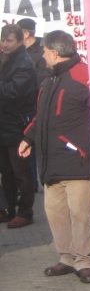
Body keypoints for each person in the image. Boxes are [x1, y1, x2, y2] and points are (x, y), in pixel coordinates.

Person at [19, 31, 90, 283]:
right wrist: (28, 138)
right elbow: (40, 116)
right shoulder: (47, 80)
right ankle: (66, 258)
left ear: (54, 53)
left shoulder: (83, 75)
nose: (42, 55)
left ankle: (84, 261)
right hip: (50, 161)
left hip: (77, 161)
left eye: (44, 51)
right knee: (56, 213)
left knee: (81, 214)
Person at [0, 24, 37, 228]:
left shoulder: (24, 63)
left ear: (20, 41)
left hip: (17, 125)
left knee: (21, 172)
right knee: (5, 171)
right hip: (4, 124)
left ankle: (25, 211)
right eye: (3, 40)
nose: (5, 44)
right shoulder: (4, 58)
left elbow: (13, 91)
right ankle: (7, 207)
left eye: (9, 41)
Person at [17, 18, 47, 193]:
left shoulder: (41, 53)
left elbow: (40, 81)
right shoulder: (18, 52)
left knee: (32, 142)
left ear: (26, 34)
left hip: (34, 103)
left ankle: (34, 181)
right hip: (20, 106)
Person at [17, 18, 49, 86]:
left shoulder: (43, 51)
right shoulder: (17, 49)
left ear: (26, 34)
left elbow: (41, 79)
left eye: (16, 33)